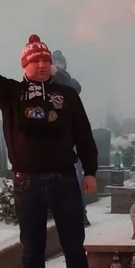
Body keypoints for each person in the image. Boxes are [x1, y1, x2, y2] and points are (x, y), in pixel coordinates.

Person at [0, 32, 116, 268]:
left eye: (46, 60)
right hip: (28, 184)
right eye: (35, 60)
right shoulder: (11, 93)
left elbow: (83, 135)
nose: (41, 65)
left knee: (74, 246)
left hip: (64, 179)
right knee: (31, 250)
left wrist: (90, 171)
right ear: (25, 64)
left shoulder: (67, 96)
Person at [51, 49, 90, 226]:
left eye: (60, 63)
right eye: (55, 63)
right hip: (51, 138)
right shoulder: (45, 81)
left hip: (69, 137)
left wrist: (59, 74)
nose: (57, 66)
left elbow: (76, 88)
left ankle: (81, 214)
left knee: (76, 177)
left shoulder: (66, 80)